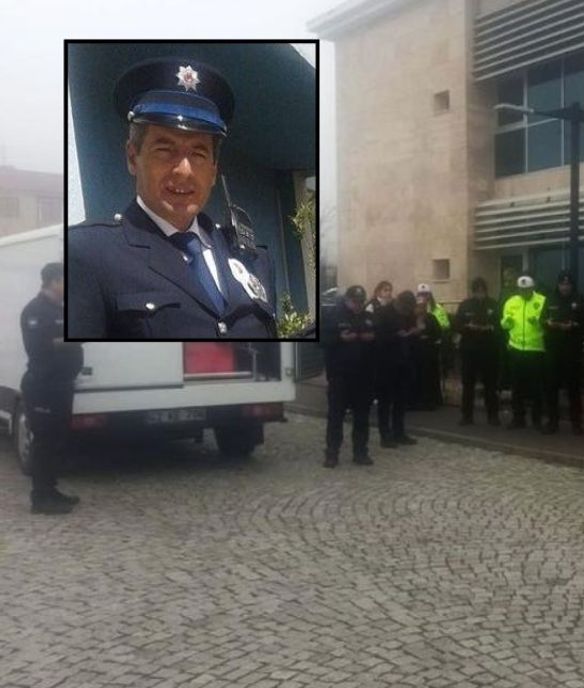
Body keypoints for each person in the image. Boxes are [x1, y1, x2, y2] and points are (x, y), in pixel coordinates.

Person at [67, 59, 276, 339]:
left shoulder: (252, 258)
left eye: (199, 153)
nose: (184, 171)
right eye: (165, 150)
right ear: (132, 157)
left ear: (214, 169)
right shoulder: (87, 254)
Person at [20, 263, 84, 514]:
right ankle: (40, 498)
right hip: (42, 385)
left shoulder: (61, 309)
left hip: (61, 385)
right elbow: (38, 346)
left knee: (57, 440)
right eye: (64, 281)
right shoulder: (35, 310)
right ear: (52, 282)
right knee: (44, 441)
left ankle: (51, 489)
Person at [320, 286, 377, 468]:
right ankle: (332, 454)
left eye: (361, 301)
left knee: (362, 417)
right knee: (336, 416)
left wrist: (373, 339)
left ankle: (360, 452)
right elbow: (322, 341)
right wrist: (339, 339)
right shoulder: (334, 317)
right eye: (355, 301)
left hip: (363, 376)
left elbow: (380, 340)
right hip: (340, 376)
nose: (358, 305)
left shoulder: (369, 318)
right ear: (347, 300)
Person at [543, 272, 584, 435]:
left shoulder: (579, 300)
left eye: (568, 284)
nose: (565, 287)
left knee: (573, 389)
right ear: (558, 284)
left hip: (572, 351)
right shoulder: (549, 299)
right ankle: (552, 422)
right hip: (553, 350)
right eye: (562, 284)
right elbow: (543, 320)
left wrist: (574, 326)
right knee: (551, 388)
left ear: (572, 285)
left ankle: (576, 424)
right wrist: (548, 324)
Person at [500, 275, 547, 430]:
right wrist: (506, 323)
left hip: (536, 350)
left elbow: (548, 324)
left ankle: (537, 419)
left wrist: (539, 323)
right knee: (517, 387)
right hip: (516, 349)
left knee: (536, 388)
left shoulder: (542, 301)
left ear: (533, 288)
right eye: (521, 290)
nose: (524, 292)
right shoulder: (511, 302)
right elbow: (504, 324)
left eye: (527, 290)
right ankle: (518, 418)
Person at [374, 291, 419, 449]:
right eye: (405, 309)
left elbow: (412, 331)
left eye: (409, 310)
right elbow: (376, 338)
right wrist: (395, 336)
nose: (406, 313)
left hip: (404, 362)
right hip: (386, 364)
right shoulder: (382, 313)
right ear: (398, 302)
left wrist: (414, 333)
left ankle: (399, 432)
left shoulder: (409, 314)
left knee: (401, 400)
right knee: (385, 401)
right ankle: (385, 435)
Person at [455, 277, 502, 426]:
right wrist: (468, 327)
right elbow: (456, 325)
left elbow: (500, 325)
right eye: (477, 291)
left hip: (489, 350)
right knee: (468, 384)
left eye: (482, 291)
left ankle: (493, 416)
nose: (480, 294)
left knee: (490, 385)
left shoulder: (494, 304)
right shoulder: (465, 305)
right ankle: (467, 416)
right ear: (473, 291)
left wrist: (491, 328)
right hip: (470, 350)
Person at [411, 284, 447, 411]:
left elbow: (438, 331)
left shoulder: (431, 317)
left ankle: (431, 400)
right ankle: (417, 400)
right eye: (418, 306)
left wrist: (428, 337)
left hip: (429, 351)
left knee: (430, 376)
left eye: (422, 307)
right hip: (415, 353)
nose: (420, 309)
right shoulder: (410, 319)